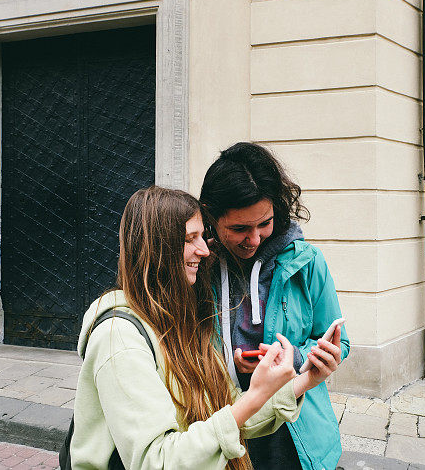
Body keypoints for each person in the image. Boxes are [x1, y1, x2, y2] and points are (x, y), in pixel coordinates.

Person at [69, 186, 343, 470]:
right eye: (190, 239)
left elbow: (226, 412)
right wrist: (258, 394)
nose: (204, 250)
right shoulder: (119, 338)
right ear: (156, 247)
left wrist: (307, 380)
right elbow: (157, 461)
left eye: (202, 236)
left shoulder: (179, 319)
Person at [200, 142, 351, 470]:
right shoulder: (199, 266)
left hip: (293, 426)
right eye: (239, 228)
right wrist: (225, 360)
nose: (253, 239)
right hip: (221, 417)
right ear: (211, 216)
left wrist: (296, 358)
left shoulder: (306, 262)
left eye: (264, 224)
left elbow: (340, 341)